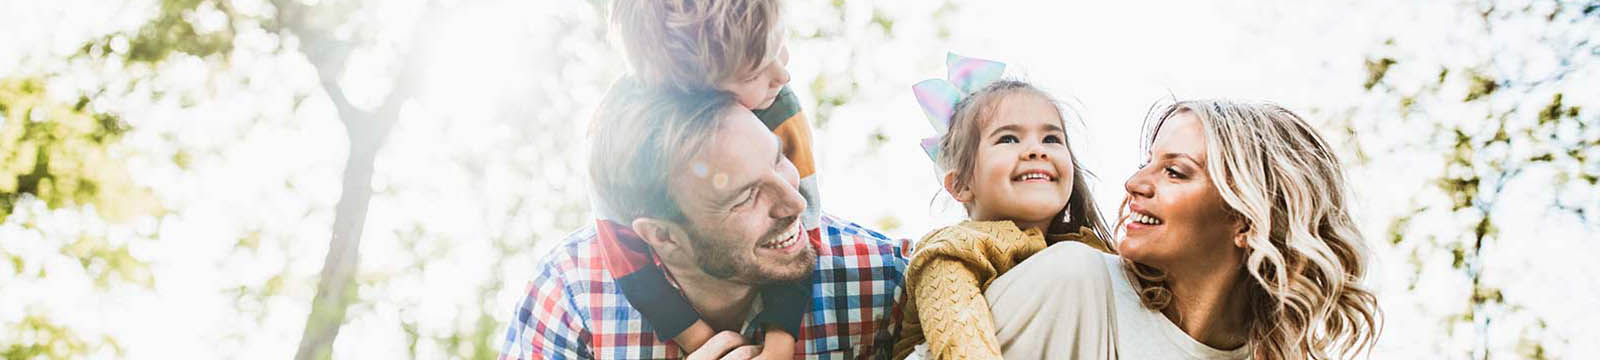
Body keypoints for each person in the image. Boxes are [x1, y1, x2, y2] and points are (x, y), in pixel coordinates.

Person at [498, 81, 909, 359]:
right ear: (662, 235)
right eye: (746, 196)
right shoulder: (573, 299)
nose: (795, 203)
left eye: (779, 157)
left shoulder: (884, 282)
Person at [992, 99, 1383, 359]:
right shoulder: (1072, 281)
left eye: (1175, 172)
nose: (1135, 183)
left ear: (1248, 220)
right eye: (1148, 162)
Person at [891, 53, 1114, 359]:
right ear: (961, 185)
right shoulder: (952, 249)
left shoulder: (1085, 251)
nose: (1036, 150)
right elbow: (961, 343)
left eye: (1051, 138)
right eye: (1009, 139)